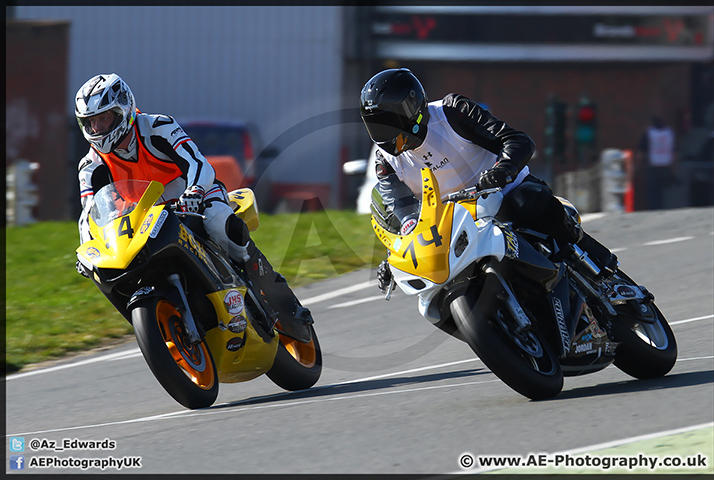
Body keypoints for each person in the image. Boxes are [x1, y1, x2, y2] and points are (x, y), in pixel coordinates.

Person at [74, 73, 312, 341]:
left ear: (124, 109)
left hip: (193, 196)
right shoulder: (90, 166)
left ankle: (282, 301)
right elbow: (89, 213)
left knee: (222, 226)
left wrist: (195, 190)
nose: (98, 128)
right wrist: (86, 250)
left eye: (104, 118)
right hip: (143, 219)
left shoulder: (157, 127)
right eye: (90, 122)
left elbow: (197, 163)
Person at [358, 68, 617, 292]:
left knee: (529, 201)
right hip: (454, 226)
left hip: (503, 193)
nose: (386, 135)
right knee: (435, 283)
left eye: (391, 123)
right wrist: (397, 256)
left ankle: (595, 257)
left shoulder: (452, 112)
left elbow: (517, 140)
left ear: (412, 109)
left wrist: (503, 170)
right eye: (377, 126)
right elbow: (404, 217)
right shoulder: (386, 163)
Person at [637, 116, 677, 210]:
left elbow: (641, 152)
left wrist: (638, 166)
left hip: (653, 165)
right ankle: (665, 208)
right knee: (665, 191)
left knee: (653, 191)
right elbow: (675, 152)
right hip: (666, 165)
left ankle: (654, 209)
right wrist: (674, 169)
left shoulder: (649, 133)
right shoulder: (669, 133)